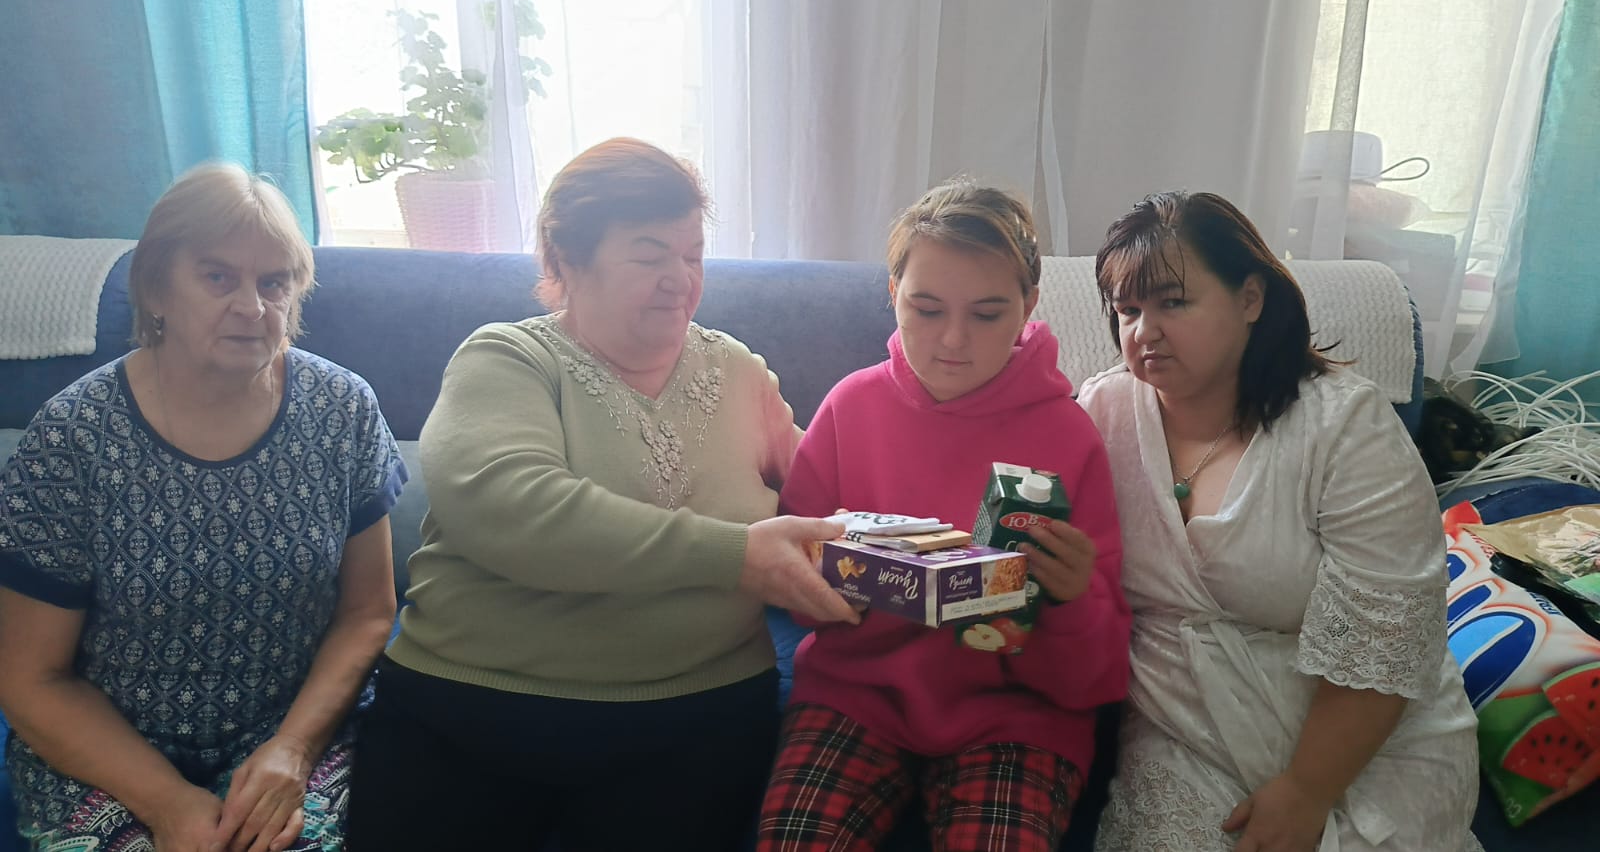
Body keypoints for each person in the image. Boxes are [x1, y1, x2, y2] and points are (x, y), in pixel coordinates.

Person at [345, 138, 858, 851]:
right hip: (476, 706)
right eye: (650, 257)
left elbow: (832, 494)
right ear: (565, 260)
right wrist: (738, 555)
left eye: (693, 256)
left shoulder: (737, 371)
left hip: (696, 717)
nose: (680, 279)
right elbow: (510, 506)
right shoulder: (508, 358)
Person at [0, 163, 406, 852]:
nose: (252, 306)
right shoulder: (72, 437)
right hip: (110, 754)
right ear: (156, 288)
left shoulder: (344, 409)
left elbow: (369, 611)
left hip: (292, 736)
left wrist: (293, 750)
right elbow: (31, 677)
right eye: (218, 277)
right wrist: (168, 803)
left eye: (274, 282)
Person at [1077, 191, 1481, 851]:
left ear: (1250, 299)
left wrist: (1307, 790)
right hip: (1183, 735)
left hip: (1363, 747)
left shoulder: (1345, 427)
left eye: (1173, 303)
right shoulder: (1102, 414)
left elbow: (1387, 634)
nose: (1144, 332)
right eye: (1128, 310)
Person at [756, 180, 1131, 851]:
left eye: (987, 314)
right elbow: (794, 590)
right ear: (892, 293)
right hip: (855, 696)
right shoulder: (851, 407)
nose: (953, 340)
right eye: (925, 309)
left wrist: (1073, 600)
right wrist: (838, 579)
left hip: (1017, 718)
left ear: (1029, 306)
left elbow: (1094, 677)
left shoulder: (1070, 435)